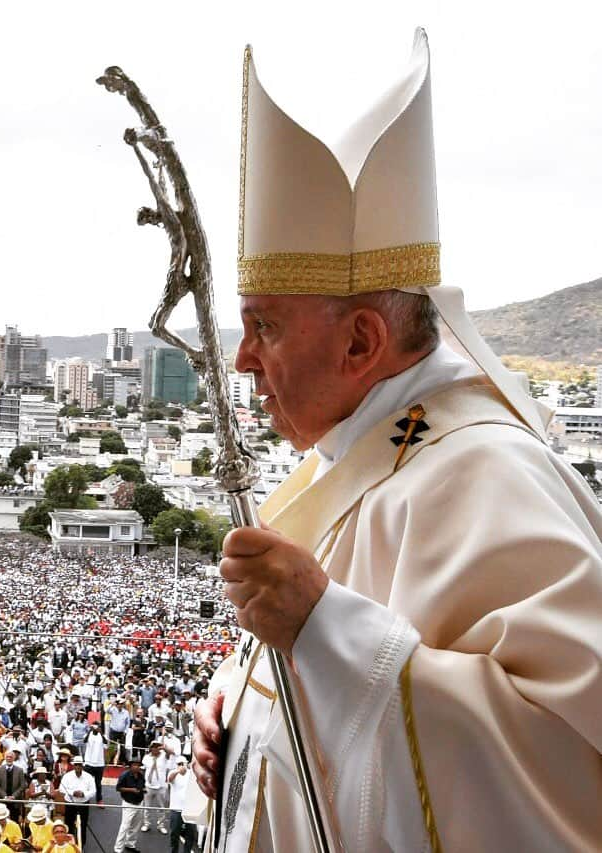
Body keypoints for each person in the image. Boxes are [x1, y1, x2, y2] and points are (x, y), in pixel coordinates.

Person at [189, 29, 602, 853]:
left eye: (262, 325)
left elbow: (560, 764)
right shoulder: (360, 460)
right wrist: (236, 713)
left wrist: (324, 627)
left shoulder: (485, 473)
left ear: (360, 341)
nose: (242, 360)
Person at [56, 757, 94, 848]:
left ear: (82, 766)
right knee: (69, 825)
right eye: (76, 764)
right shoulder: (67, 776)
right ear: (73, 765)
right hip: (70, 804)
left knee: (83, 825)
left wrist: (83, 794)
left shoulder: (88, 777)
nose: (78, 766)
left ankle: (81, 846)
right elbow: (61, 788)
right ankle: (69, 845)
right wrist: (73, 792)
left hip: (83, 804)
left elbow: (93, 791)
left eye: (79, 765)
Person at [113, 757, 145, 853]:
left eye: (138, 765)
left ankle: (130, 844)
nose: (137, 767)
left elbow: (142, 786)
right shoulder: (125, 775)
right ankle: (118, 849)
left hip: (140, 803)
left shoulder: (141, 775)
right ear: (130, 766)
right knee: (125, 826)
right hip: (129, 803)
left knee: (135, 826)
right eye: (135, 765)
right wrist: (131, 790)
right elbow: (118, 788)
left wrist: (142, 791)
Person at [167, 758, 197, 853]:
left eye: (182, 763)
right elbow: (169, 779)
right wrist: (177, 771)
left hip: (189, 809)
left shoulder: (191, 774)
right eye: (178, 764)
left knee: (190, 834)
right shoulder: (173, 773)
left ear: (186, 763)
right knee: (174, 834)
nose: (180, 765)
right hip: (176, 809)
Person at [141, 741, 168, 834]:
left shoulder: (164, 756)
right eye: (153, 747)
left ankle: (161, 825)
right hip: (148, 786)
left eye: (157, 747)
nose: (155, 748)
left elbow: (169, 753)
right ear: (150, 748)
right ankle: (146, 824)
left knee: (161, 808)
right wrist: (143, 784)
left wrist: (164, 748)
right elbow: (144, 770)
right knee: (146, 807)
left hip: (161, 787)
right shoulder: (146, 757)